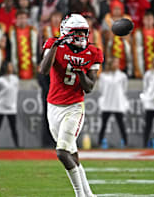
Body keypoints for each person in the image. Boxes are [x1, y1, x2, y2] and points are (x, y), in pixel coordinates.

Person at [39, 14, 103, 197]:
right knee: (72, 154)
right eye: (78, 33)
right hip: (53, 106)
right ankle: (90, 195)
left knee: (62, 152)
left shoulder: (93, 52)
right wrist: (56, 44)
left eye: (84, 33)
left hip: (74, 107)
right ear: (66, 33)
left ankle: (79, 195)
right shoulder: (54, 44)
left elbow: (89, 87)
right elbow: (43, 70)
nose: (82, 37)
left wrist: (81, 73)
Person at [97, 57, 129, 148]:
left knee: (121, 124)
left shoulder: (122, 76)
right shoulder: (103, 76)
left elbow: (124, 89)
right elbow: (101, 89)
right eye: (114, 63)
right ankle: (99, 142)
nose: (116, 65)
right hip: (106, 104)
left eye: (117, 63)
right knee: (103, 124)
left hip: (118, 104)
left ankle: (125, 142)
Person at [0, 62, 19, 148]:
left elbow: (15, 93)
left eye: (12, 66)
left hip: (12, 108)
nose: (11, 68)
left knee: (14, 128)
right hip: (0, 107)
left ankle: (17, 146)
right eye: (9, 66)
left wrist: (13, 103)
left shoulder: (15, 79)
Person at [102, 0, 133, 76]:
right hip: (111, 46)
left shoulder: (127, 19)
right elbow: (104, 33)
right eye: (115, 9)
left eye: (119, 9)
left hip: (124, 46)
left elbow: (130, 33)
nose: (117, 11)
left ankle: (127, 70)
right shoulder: (107, 19)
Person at [132, 11, 154, 78]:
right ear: (143, 20)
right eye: (146, 19)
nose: (148, 21)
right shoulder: (138, 33)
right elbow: (135, 50)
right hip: (142, 61)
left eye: (150, 19)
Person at [8, 9, 38, 79]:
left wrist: (38, 62)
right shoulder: (12, 31)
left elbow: (37, 48)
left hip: (31, 65)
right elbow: (9, 48)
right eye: (20, 18)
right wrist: (9, 62)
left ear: (27, 19)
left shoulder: (33, 31)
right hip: (16, 65)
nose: (22, 20)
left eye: (24, 18)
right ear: (16, 20)